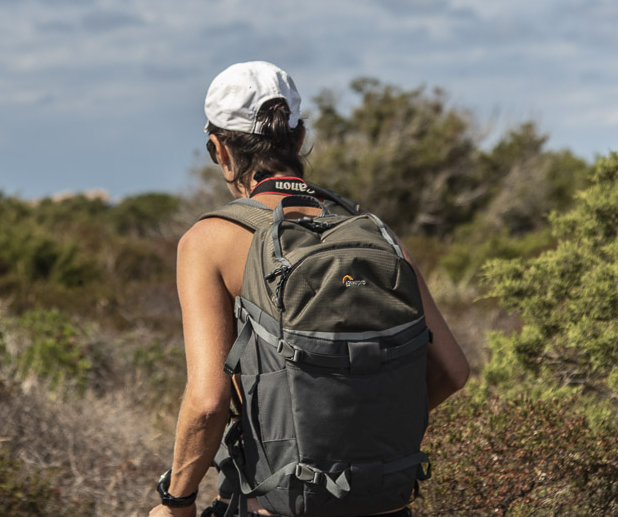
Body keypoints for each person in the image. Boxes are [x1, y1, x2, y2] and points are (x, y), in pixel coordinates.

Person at [148, 61, 470, 517]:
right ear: (298, 139)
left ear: (219, 150)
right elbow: (453, 372)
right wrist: (361, 432)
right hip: (386, 502)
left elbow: (207, 403)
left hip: (277, 503)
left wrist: (175, 500)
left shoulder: (209, 240)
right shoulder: (372, 231)